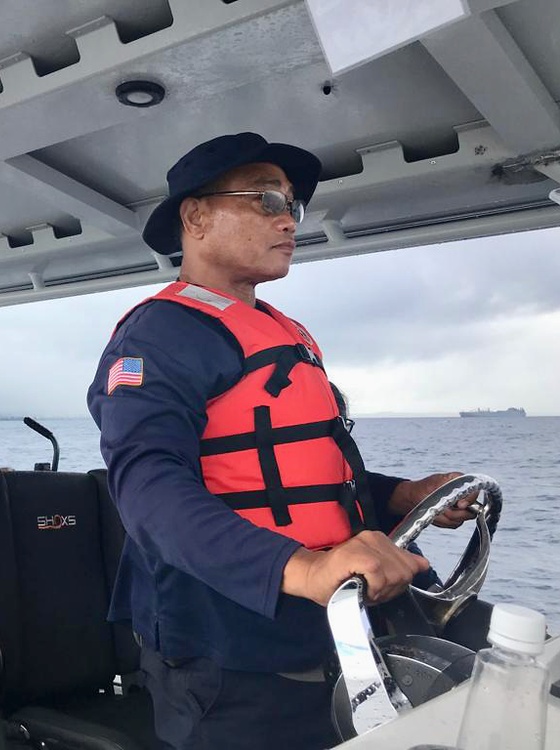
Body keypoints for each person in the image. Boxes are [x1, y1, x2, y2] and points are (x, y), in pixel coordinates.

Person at [86, 133, 476, 750]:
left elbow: (289, 472)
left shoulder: (281, 331)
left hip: (327, 633)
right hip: (228, 660)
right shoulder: (157, 336)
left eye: (291, 206)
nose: (288, 221)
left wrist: (405, 495)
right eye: (266, 200)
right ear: (196, 216)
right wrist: (306, 567)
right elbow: (147, 491)